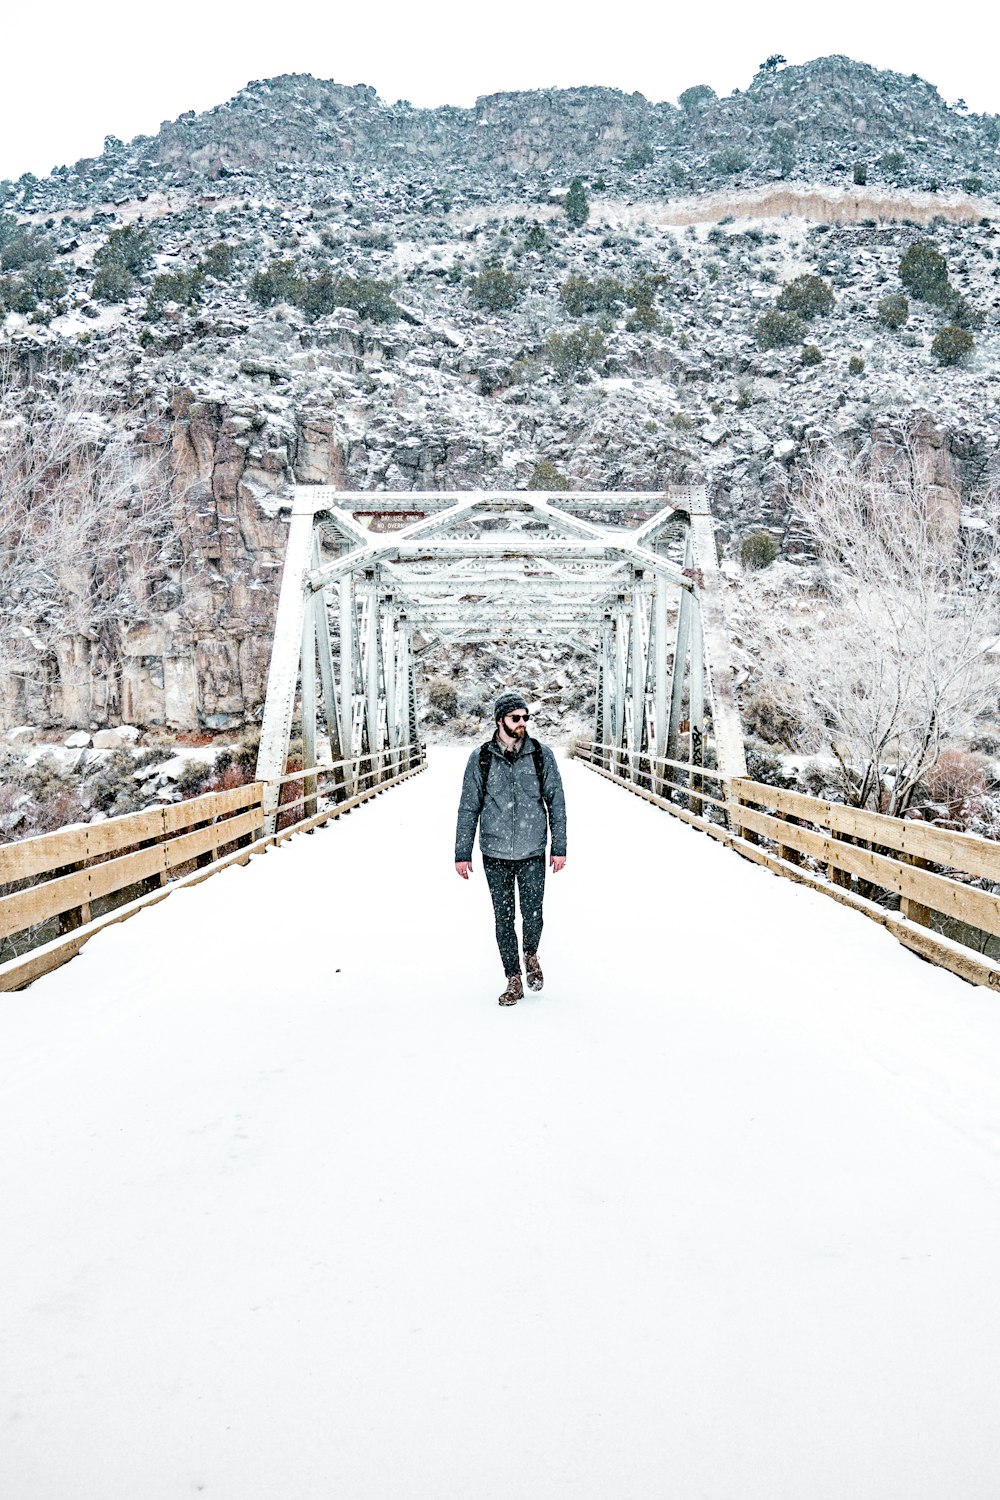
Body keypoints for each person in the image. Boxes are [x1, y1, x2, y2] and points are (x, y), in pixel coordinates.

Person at [455, 691, 567, 1006]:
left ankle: (530, 953)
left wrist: (559, 847)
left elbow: (556, 802)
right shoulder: (481, 758)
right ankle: (513, 978)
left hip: (532, 851)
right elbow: (468, 807)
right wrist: (462, 853)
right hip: (494, 852)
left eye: (525, 717)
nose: (522, 722)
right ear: (500, 719)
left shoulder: (541, 755)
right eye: (515, 717)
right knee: (503, 919)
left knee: (533, 915)